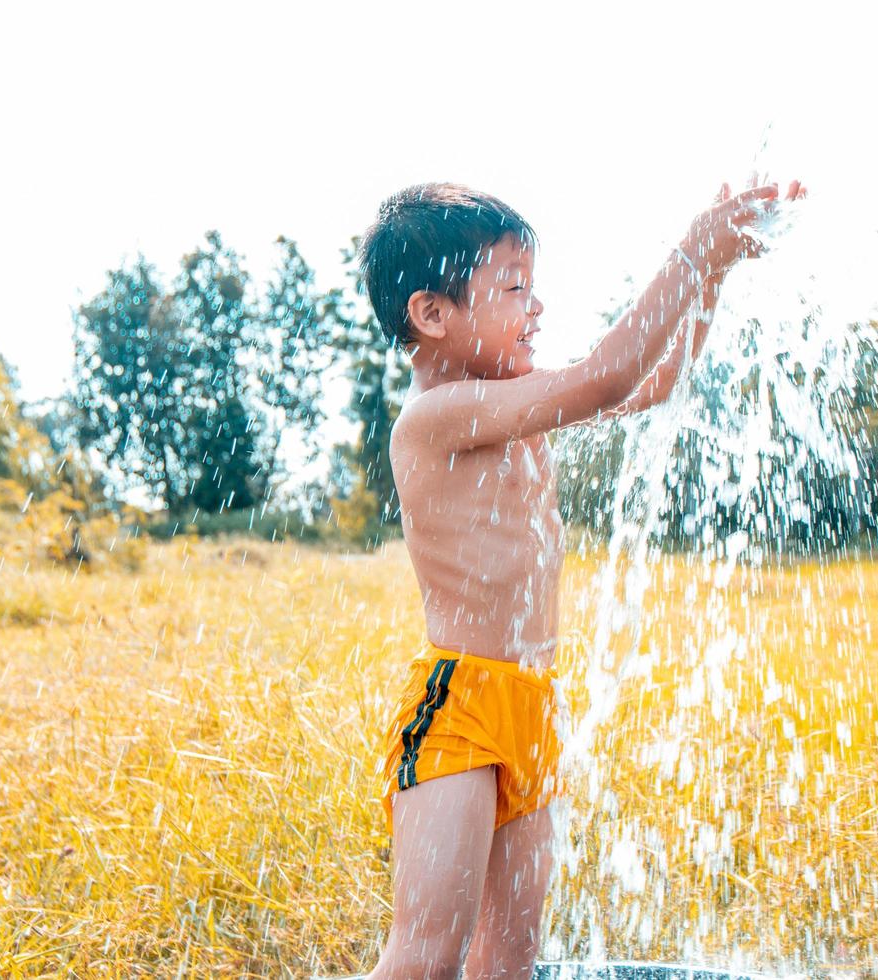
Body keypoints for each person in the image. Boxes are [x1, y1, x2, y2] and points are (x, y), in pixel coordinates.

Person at [361, 174, 805, 979]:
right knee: (426, 956)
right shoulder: (439, 414)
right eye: (513, 288)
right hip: (461, 712)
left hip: (530, 706)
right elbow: (606, 375)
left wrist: (711, 278)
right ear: (431, 313)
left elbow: (648, 382)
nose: (536, 307)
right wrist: (689, 251)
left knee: (511, 961)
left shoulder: (511, 401)